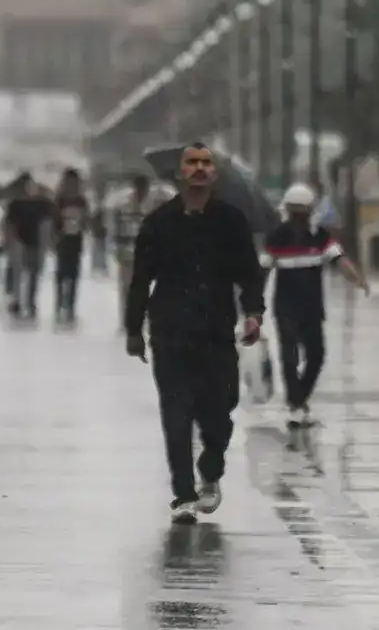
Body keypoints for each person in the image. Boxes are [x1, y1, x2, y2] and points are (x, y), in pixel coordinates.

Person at [125, 142, 265, 525]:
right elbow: (140, 280)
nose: (200, 169)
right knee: (176, 413)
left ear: (214, 174)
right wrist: (133, 329)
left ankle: (211, 465)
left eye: (206, 163)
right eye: (193, 163)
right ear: (179, 173)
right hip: (171, 332)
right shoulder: (158, 224)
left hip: (216, 331)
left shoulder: (231, 222)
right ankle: (183, 494)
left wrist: (254, 313)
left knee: (219, 412)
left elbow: (249, 273)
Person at [263, 182, 368, 429]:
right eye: (295, 210)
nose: (299, 215)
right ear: (288, 210)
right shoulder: (277, 236)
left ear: (310, 211)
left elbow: (339, 260)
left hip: (311, 307)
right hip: (285, 306)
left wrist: (358, 280)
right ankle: (295, 405)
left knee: (316, 355)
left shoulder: (321, 237)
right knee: (289, 356)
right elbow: (263, 269)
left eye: (303, 210)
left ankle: (299, 400)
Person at [4, 173, 53, 318]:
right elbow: (9, 224)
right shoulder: (15, 204)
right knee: (18, 273)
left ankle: (30, 302)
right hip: (20, 242)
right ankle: (18, 301)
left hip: (35, 243)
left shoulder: (42, 203)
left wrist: (46, 243)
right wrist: (10, 241)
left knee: (33, 274)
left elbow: (47, 223)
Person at [113, 175, 154, 330]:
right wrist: (117, 249)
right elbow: (116, 229)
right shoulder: (123, 206)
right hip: (126, 253)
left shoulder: (151, 207)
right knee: (125, 288)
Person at [52, 169, 89, 321]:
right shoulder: (59, 200)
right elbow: (54, 221)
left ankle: (71, 306)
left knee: (73, 275)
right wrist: (53, 237)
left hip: (76, 241)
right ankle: (60, 303)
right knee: (61, 274)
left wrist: (83, 224)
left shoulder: (81, 200)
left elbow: (86, 220)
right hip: (62, 241)